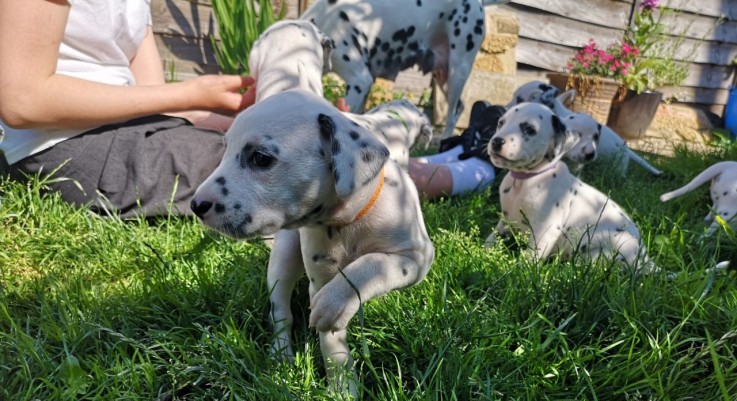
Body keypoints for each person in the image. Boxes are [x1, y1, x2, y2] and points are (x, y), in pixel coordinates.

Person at [0, 0, 499, 218]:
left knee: (295, 143)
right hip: (63, 144)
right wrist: (193, 93)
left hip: (131, 126)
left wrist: (245, 114)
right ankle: (472, 169)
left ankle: (452, 156)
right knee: (302, 173)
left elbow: (154, 102)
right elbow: (22, 101)